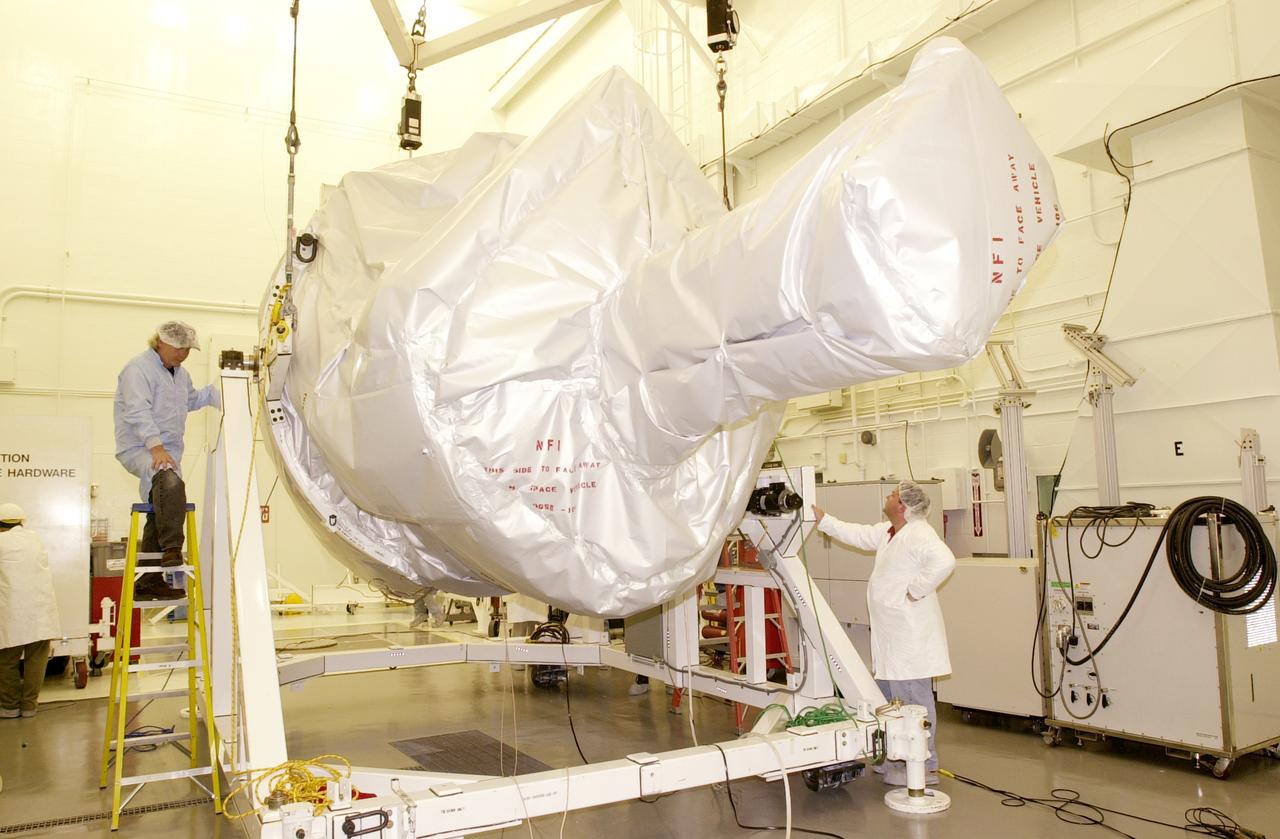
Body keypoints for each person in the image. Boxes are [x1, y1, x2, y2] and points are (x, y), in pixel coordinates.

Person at [812, 480, 955, 787]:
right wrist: (824, 520)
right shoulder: (890, 533)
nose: (887, 497)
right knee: (888, 699)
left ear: (903, 505)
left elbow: (945, 561)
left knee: (914, 700)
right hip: (891, 639)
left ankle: (926, 763)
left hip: (910, 639)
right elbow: (858, 534)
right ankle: (895, 756)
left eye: (892, 495)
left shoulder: (919, 533)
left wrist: (915, 591)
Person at [114, 321, 221, 600]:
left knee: (158, 509)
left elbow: (191, 400)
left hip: (168, 452)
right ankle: (173, 549)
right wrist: (156, 447)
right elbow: (138, 412)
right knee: (169, 480)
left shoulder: (180, 375)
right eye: (179, 348)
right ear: (160, 342)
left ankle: (148, 581)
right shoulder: (138, 370)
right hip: (140, 447)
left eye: (188, 350)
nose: (184, 354)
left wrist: (219, 392)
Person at [0, 503, 62, 719]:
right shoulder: (34, 539)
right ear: (21, 522)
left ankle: (9, 707)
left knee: (6, 661)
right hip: (41, 612)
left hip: (12, 612)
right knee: (36, 660)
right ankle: (29, 706)